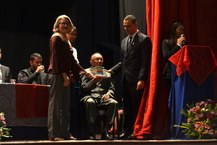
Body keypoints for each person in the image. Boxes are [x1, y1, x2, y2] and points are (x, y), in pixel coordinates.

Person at [47, 14, 90, 141]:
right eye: (62, 23)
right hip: (57, 75)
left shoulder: (66, 40)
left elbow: (71, 61)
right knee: (55, 105)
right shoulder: (56, 38)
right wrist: (64, 76)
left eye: (67, 23)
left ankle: (65, 133)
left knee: (65, 106)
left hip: (65, 76)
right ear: (57, 25)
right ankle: (53, 134)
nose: (64, 25)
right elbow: (56, 60)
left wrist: (84, 72)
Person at [109, 15, 152, 139]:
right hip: (125, 79)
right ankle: (126, 131)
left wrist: (141, 78)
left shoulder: (144, 40)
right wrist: (111, 71)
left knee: (136, 106)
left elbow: (145, 62)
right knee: (127, 106)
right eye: (124, 26)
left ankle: (136, 130)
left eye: (128, 26)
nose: (126, 29)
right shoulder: (124, 41)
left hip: (136, 79)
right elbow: (123, 62)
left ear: (135, 24)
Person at [80, 52, 118, 140]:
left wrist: (108, 94)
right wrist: (93, 81)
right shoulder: (86, 72)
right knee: (90, 102)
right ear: (91, 62)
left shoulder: (107, 73)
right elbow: (84, 88)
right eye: (97, 59)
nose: (100, 61)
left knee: (114, 102)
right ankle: (91, 130)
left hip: (103, 97)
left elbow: (112, 88)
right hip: (90, 96)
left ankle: (106, 130)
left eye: (101, 59)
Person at [162, 21, 186, 90]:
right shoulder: (166, 42)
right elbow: (167, 56)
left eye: (183, 29)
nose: (182, 32)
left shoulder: (184, 43)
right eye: (180, 29)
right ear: (174, 30)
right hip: (170, 73)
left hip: (182, 72)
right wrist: (178, 45)